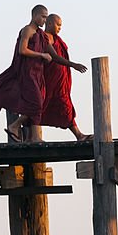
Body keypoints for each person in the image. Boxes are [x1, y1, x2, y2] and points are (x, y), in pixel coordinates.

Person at [0, 5, 53, 142]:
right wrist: (42, 55)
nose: (45, 20)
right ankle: (14, 126)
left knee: (38, 103)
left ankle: (34, 137)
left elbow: (53, 54)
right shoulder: (28, 30)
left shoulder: (41, 35)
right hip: (27, 73)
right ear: (34, 15)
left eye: (46, 17)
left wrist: (71, 64)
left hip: (37, 74)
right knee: (36, 103)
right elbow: (23, 50)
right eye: (43, 16)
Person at [41, 13, 90, 141]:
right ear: (50, 23)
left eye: (61, 25)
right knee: (42, 105)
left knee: (65, 106)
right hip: (50, 80)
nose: (60, 28)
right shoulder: (44, 37)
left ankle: (79, 135)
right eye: (58, 24)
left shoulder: (57, 39)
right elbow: (55, 57)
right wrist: (73, 65)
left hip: (60, 81)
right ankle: (28, 134)